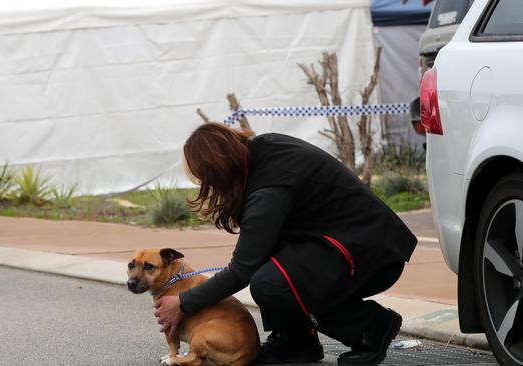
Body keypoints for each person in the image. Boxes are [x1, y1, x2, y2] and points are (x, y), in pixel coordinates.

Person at [154, 123, 417, 365]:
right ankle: (297, 342)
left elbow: (240, 271)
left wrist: (183, 302)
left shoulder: (267, 191)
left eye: (205, 180)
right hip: (357, 244)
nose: (207, 188)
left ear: (218, 172)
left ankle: (370, 326)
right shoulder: (265, 149)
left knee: (271, 284)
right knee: (271, 267)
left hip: (370, 255)